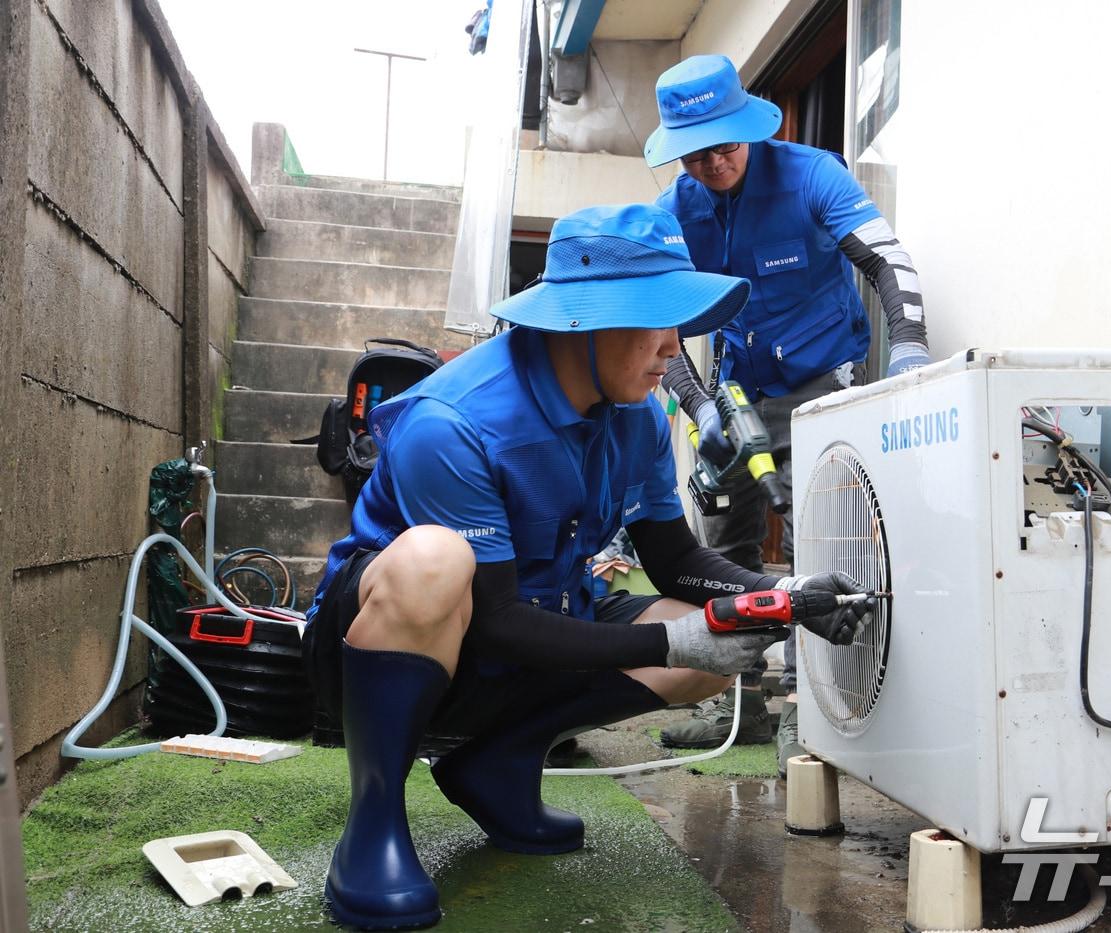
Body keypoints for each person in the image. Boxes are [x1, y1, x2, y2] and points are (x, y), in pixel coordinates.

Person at [302, 203, 873, 931]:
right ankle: (372, 822)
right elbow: (499, 619)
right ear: (585, 320)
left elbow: (673, 559)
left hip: (540, 629)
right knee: (434, 561)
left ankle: (501, 765)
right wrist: (668, 641)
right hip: (397, 644)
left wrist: (784, 596)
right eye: (656, 320)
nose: (675, 346)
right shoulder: (453, 423)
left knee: (717, 646)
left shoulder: (634, 412)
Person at [643, 55, 931, 773]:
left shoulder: (812, 175)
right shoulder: (676, 213)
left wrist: (912, 347)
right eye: (695, 151)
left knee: (820, 547)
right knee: (719, 545)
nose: (712, 162)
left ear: (748, 127)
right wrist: (700, 404)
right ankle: (731, 701)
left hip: (821, 385)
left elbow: (889, 262)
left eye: (724, 145)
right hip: (737, 395)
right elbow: (657, 326)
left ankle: (813, 711)